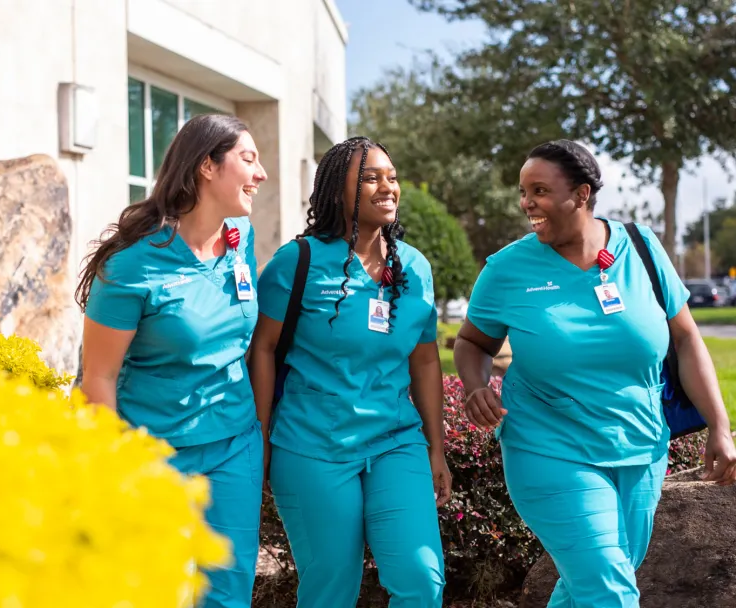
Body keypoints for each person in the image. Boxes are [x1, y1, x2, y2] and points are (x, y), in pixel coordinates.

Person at [454, 140, 736, 608]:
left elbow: (686, 340)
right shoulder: (507, 269)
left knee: (591, 582)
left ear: (582, 194)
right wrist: (476, 384)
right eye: (523, 192)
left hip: (641, 448)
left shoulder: (642, 247)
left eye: (540, 190)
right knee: (609, 587)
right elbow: (472, 342)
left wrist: (721, 428)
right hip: (548, 447)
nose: (527, 203)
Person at [248, 136, 450, 607]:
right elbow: (263, 347)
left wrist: (436, 448)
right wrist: (259, 440)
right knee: (331, 589)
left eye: (392, 177)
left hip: (395, 442)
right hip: (313, 447)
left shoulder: (414, 268)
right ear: (338, 191)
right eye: (371, 178)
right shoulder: (296, 263)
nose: (388, 187)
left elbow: (423, 359)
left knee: (422, 580)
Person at [76, 114, 268, 608]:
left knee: (227, 593)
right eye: (248, 159)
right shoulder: (131, 265)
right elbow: (98, 376)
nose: (261, 173)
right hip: (153, 452)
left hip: (233, 446)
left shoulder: (239, 241)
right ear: (207, 166)